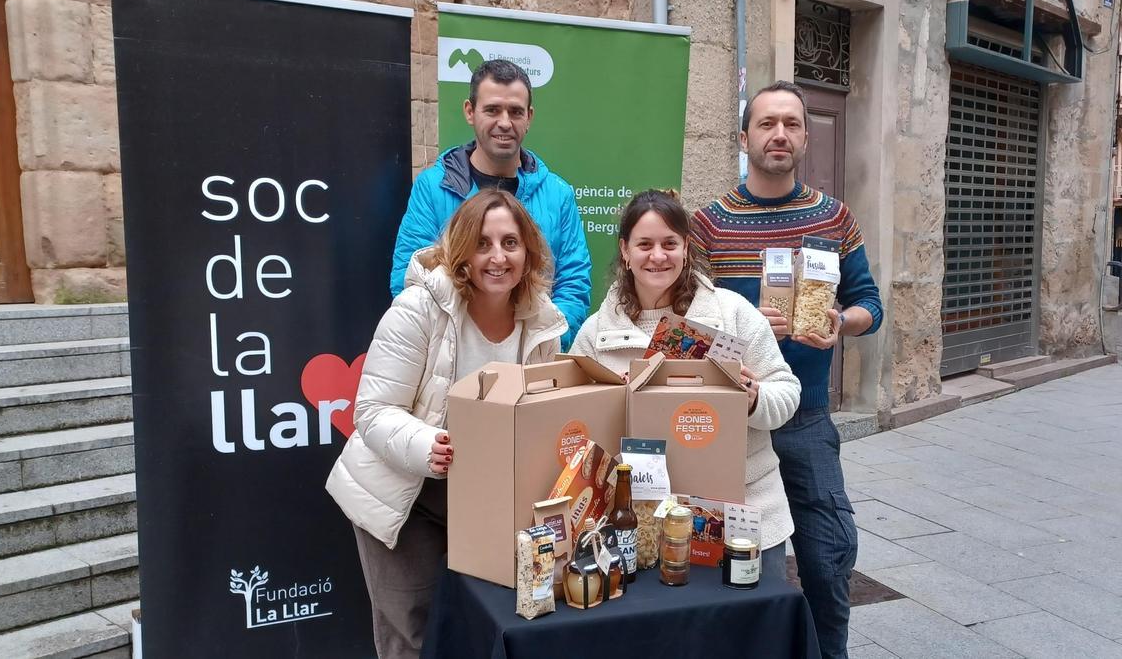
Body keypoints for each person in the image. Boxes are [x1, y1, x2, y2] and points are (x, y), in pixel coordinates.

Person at [327, 189, 567, 659]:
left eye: (510, 243)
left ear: (529, 251)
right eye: (483, 243)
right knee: (410, 636)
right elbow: (371, 410)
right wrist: (427, 445)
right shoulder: (419, 310)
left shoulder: (542, 323)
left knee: (481, 623)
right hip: (405, 491)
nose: (498, 257)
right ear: (461, 251)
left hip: (483, 496)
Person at [692, 81, 883, 659]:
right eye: (767, 123)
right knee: (733, 564)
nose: (780, 134)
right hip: (731, 420)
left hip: (805, 417)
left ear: (804, 136)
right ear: (744, 136)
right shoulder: (709, 224)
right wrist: (741, 332)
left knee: (827, 558)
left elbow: (870, 304)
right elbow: (688, 321)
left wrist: (838, 321)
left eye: (792, 124)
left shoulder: (834, 219)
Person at [570, 189, 801, 578]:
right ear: (625, 251)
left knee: (754, 633)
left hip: (741, 511)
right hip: (642, 529)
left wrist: (754, 397)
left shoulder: (731, 314)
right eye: (644, 244)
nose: (657, 256)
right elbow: (578, 423)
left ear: (686, 248)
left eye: (669, 243)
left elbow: (787, 390)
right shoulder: (596, 333)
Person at [390, 59, 591, 348]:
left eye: (516, 112)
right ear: (470, 112)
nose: (505, 123)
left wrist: (547, 341)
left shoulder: (558, 195)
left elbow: (573, 282)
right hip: (451, 356)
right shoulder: (434, 188)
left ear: (529, 117)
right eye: (493, 110)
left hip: (530, 360)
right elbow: (409, 278)